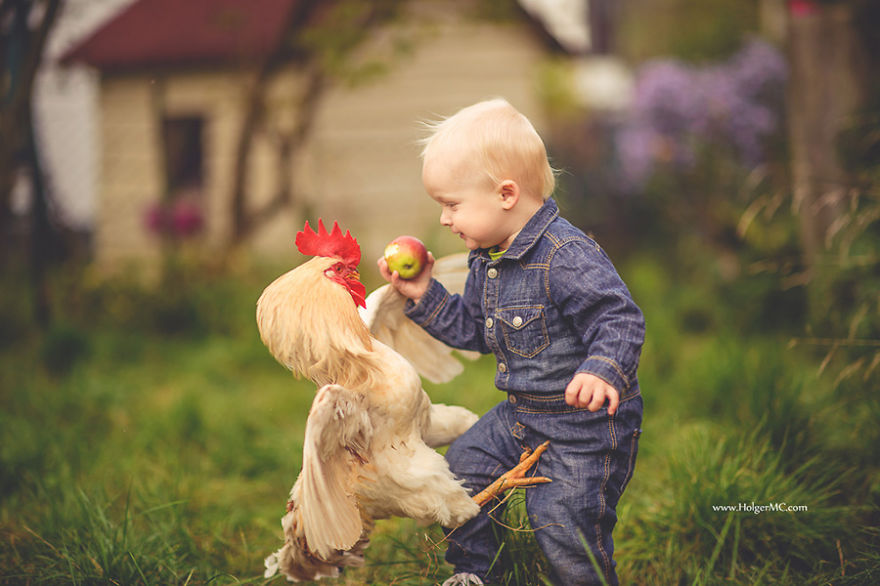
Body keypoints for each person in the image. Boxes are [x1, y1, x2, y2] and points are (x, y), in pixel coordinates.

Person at [378, 98, 645, 586]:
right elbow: (476, 332)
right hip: (522, 414)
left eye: (452, 204)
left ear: (505, 194)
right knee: (460, 472)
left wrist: (601, 368)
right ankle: (478, 573)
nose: (443, 219)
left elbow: (619, 318)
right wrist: (424, 295)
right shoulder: (489, 259)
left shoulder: (565, 256)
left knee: (563, 523)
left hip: (584, 428)